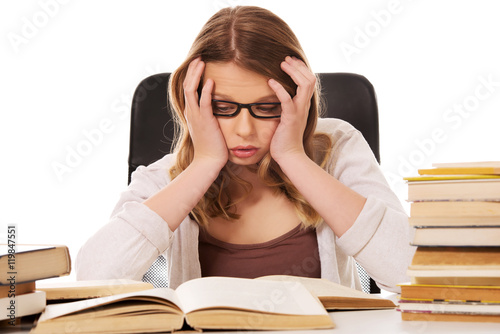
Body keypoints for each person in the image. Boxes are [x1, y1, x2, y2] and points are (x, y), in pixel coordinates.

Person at [76, 5, 415, 292]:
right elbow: (93, 280)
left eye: (267, 107)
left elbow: (413, 273)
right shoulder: (168, 177)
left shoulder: (337, 147)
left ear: (297, 100)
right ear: (192, 103)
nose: (244, 130)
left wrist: (295, 159)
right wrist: (205, 163)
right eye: (223, 107)